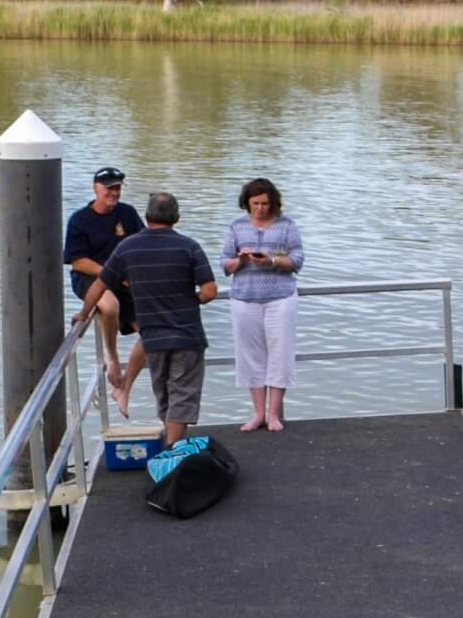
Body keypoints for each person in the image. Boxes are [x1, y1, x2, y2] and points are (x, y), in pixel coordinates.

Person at [76, 192, 216, 448]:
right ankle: (171, 450)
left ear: (147, 216)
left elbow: (100, 284)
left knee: (163, 393)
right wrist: (192, 298)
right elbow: (209, 291)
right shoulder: (189, 246)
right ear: (176, 217)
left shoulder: (127, 247)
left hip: (152, 336)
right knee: (182, 393)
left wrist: (84, 314)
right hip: (187, 334)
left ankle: (170, 445)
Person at [222, 177, 304, 433]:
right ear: (247, 203)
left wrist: (271, 262)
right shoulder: (236, 226)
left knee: (280, 353)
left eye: (265, 203)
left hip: (280, 297)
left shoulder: (286, 225)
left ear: (273, 203)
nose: (260, 208)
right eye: (255, 203)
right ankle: (257, 413)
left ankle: (274, 414)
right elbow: (224, 264)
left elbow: (298, 258)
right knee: (250, 355)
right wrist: (241, 260)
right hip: (245, 297)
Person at [63, 167, 142, 393]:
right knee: (109, 306)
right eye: (109, 188)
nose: (113, 193)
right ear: (95, 188)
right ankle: (112, 357)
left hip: (125, 280)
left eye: (117, 188)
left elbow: (141, 244)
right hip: (90, 278)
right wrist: (111, 273)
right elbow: (77, 261)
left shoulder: (127, 213)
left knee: (153, 333)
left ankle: (125, 386)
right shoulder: (79, 220)